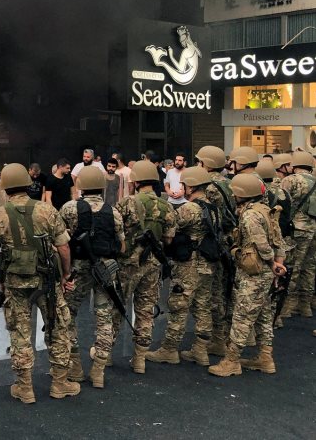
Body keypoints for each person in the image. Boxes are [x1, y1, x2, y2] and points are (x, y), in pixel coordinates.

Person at [0, 164, 79, 403]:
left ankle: (24, 387)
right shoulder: (47, 210)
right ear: (28, 184)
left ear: (5, 188)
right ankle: (59, 383)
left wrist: (0, 278)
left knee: (20, 333)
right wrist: (66, 274)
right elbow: (64, 247)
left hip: (16, 283)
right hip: (47, 281)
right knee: (57, 328)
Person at [209, 175, 286, 377]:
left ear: (243, 194)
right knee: (263, 316)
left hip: (254, 273)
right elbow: (279, 243)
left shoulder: (250, 215)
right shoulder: (266, 211)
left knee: (242, 316)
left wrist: (272, 263)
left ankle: (232, 361)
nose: (233, 195)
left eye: (236, 192)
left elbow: (261, 245)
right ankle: (265, 357)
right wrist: (277, 264)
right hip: (264, 273)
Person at [60, 166, 125, 389]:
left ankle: (75, 365)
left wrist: (64, 273)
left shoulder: (69, 208)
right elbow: (121, 245)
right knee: (104, 318)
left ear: (81, 186)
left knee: (67, 313)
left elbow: (61, 242)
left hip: (78, 267)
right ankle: (98, 370)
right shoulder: (112, 211)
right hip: (105, 268)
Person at [111, 160, 176, 376]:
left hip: (128, 265)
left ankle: (105, 352)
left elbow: (116, 234)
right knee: (146, 312)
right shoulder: (166, 205)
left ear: (136, 181)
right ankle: (139, 359)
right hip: (153, 265)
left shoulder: (126, 204)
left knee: (117, 308)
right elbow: (168, 239)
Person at [146, 167, 216, 367]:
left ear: (191, 186)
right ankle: (201, 351)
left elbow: (170, 227)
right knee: (202, 306)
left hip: (189, 264)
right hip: (207, 264)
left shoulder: (189, 209)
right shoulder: (212, 207)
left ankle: (169, 350)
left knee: (178, 306)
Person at [194, 146, 236, 358]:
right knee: (225, 289)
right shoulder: (231, 183)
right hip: (230, 240)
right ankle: (223, 336)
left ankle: (215, 339)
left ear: (206, 164)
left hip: (215, 242)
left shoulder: (209, 187)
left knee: (212, 293)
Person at [277, 151, 316, 322]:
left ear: (294, 165)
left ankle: (288, 306)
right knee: (309, 267)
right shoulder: (315, 181)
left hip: (296, 230)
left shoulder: (289, 180)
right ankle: (305, 305)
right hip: (313, 229)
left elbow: (281, 203)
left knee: (292, 266)